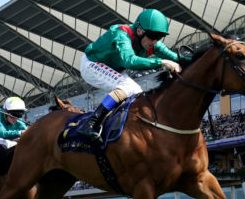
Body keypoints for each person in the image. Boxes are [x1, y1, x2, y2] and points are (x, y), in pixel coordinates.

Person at [77, 8, 182, 141]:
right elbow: (130, 61)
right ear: (139, 31)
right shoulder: (121, 34)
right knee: (127, 86)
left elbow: (176, 58)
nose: (155, 41)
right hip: (91, 64)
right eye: (153, 36)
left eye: (159, 37)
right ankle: (91, 123)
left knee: (137, 92)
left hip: (111, 68)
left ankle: (112, 126)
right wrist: (162, 62)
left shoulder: (152, 43)